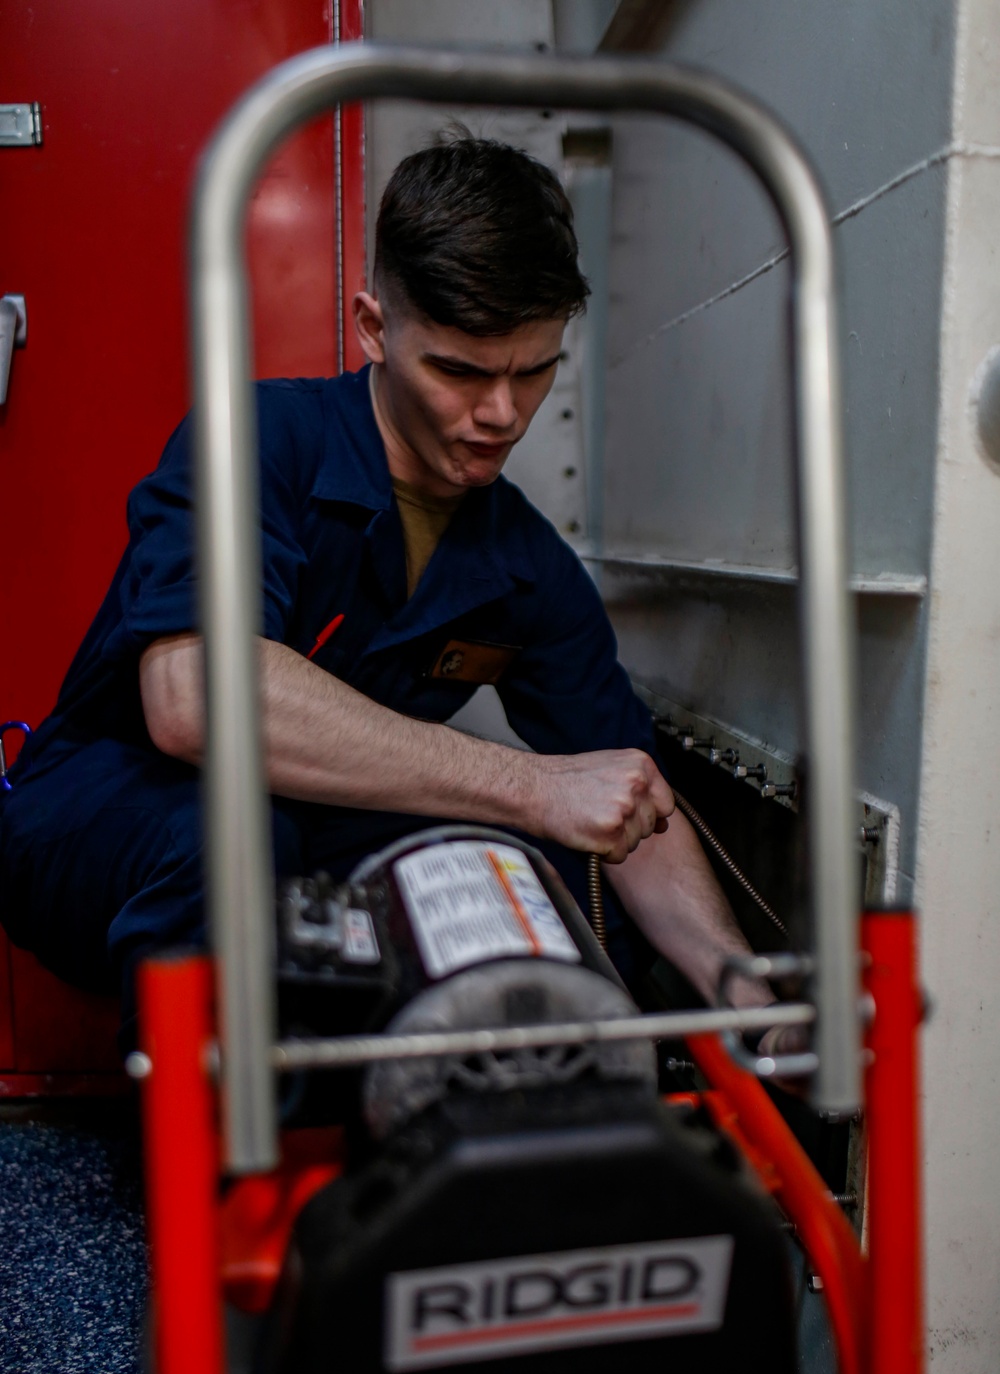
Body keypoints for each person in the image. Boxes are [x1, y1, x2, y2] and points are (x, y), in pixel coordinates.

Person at [0, 136, 770, 1034]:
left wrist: (739, 982)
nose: (501, 413)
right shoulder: (262, 440)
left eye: (534, 372)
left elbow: (631, 795)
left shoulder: (524, 565)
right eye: (458, 371)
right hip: (106, 813)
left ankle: (460, 1134)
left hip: (309, 832)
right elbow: (195, 698)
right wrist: (530, 786)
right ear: (374, 329)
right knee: (241, 842)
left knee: (529, 876)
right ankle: (228, 1161)